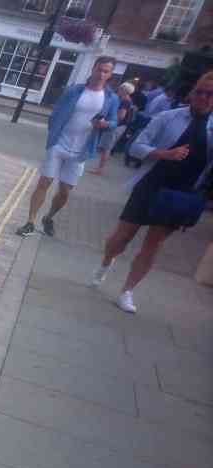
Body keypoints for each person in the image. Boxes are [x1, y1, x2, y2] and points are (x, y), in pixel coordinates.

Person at [89, 71, 213, 313]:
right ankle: (106, 263)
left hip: (181, 194)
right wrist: (163, 153)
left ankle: (127, 291)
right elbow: (135, 147)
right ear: (192, 93)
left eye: (211, 94)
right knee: (121, 238)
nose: (204, 97)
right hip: (151, 184)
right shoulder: (168, 117)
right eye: (200, 91)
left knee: (153, 245)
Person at [16, 56, 119, 238]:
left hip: (81, 151)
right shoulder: (73, 91)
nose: (101, 74)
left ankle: (49, 217)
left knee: (64, 192)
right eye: (99, 69)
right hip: (59, 144)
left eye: (106, 71)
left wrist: (105, 124)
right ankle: (30, 222)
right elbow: (55, 114)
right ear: (93, 68)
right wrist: (52, 137)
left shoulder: (111, 98)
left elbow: (114, 122)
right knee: (44, 183)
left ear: (110, 74)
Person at [90, 81, 134, 174]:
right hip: (119, 126)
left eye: (121, 88)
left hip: (117, 126)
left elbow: (121, 116)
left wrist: (110, 123)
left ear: (125, 91)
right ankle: (99, 168)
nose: (119, 90)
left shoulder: (125, 101)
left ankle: (100, 169)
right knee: (105, 147)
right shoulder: (125, 100)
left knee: (106, 147)